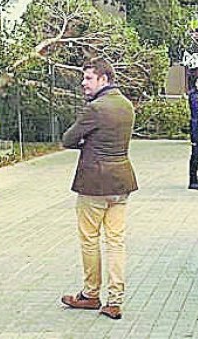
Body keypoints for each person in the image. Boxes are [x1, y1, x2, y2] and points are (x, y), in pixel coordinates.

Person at [60, 58, 138, 321]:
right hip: (122, 181)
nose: (83, 83)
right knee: (116, 241)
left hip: (94, 183)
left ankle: (91, 294)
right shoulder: (127, 105)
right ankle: (115, 300)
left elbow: (68, 139)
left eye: (88, 78)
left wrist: (84, 143)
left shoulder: (95, 108)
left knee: (90, 239)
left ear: (103, 79)